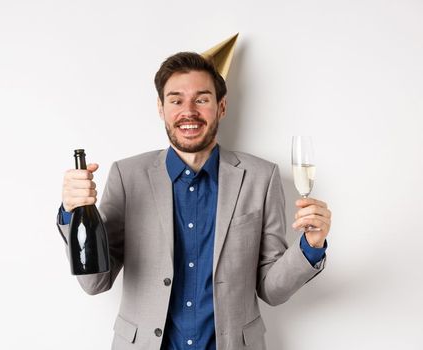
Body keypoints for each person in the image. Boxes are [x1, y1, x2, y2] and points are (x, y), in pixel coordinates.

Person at [56, 52, 332, 350]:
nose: (189, 111)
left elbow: (271, 290)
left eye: (201, 99)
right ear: (161, 109)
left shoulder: (261, 177)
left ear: (221, 106)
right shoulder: (127, 176)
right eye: (176, 100)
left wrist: (311, 246)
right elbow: (95, 282)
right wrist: (74, 213)